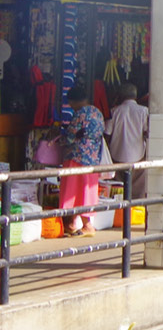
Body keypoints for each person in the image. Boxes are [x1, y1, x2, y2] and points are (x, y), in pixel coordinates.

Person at [58, 84, 107, 236]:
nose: (70, 106)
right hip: (93, 158)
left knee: (73, 190)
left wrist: (58, 138)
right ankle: (83, 224)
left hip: (77, 157)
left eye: (70, 102)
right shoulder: (97, 112)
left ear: (73, 101)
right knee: (87, 191)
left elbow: (70, 137)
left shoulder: (80, 114)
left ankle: (77, 223)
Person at [105, 82, 149, 199]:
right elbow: (146, 132)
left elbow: (107, 134)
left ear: (120, 96)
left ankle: (120, 212)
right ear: (135, 96)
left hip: (117, 155)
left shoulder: (114, 111)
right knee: (137, 189)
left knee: (119, 189)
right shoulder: (143, 111)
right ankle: (135, 211)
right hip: (137, 156)